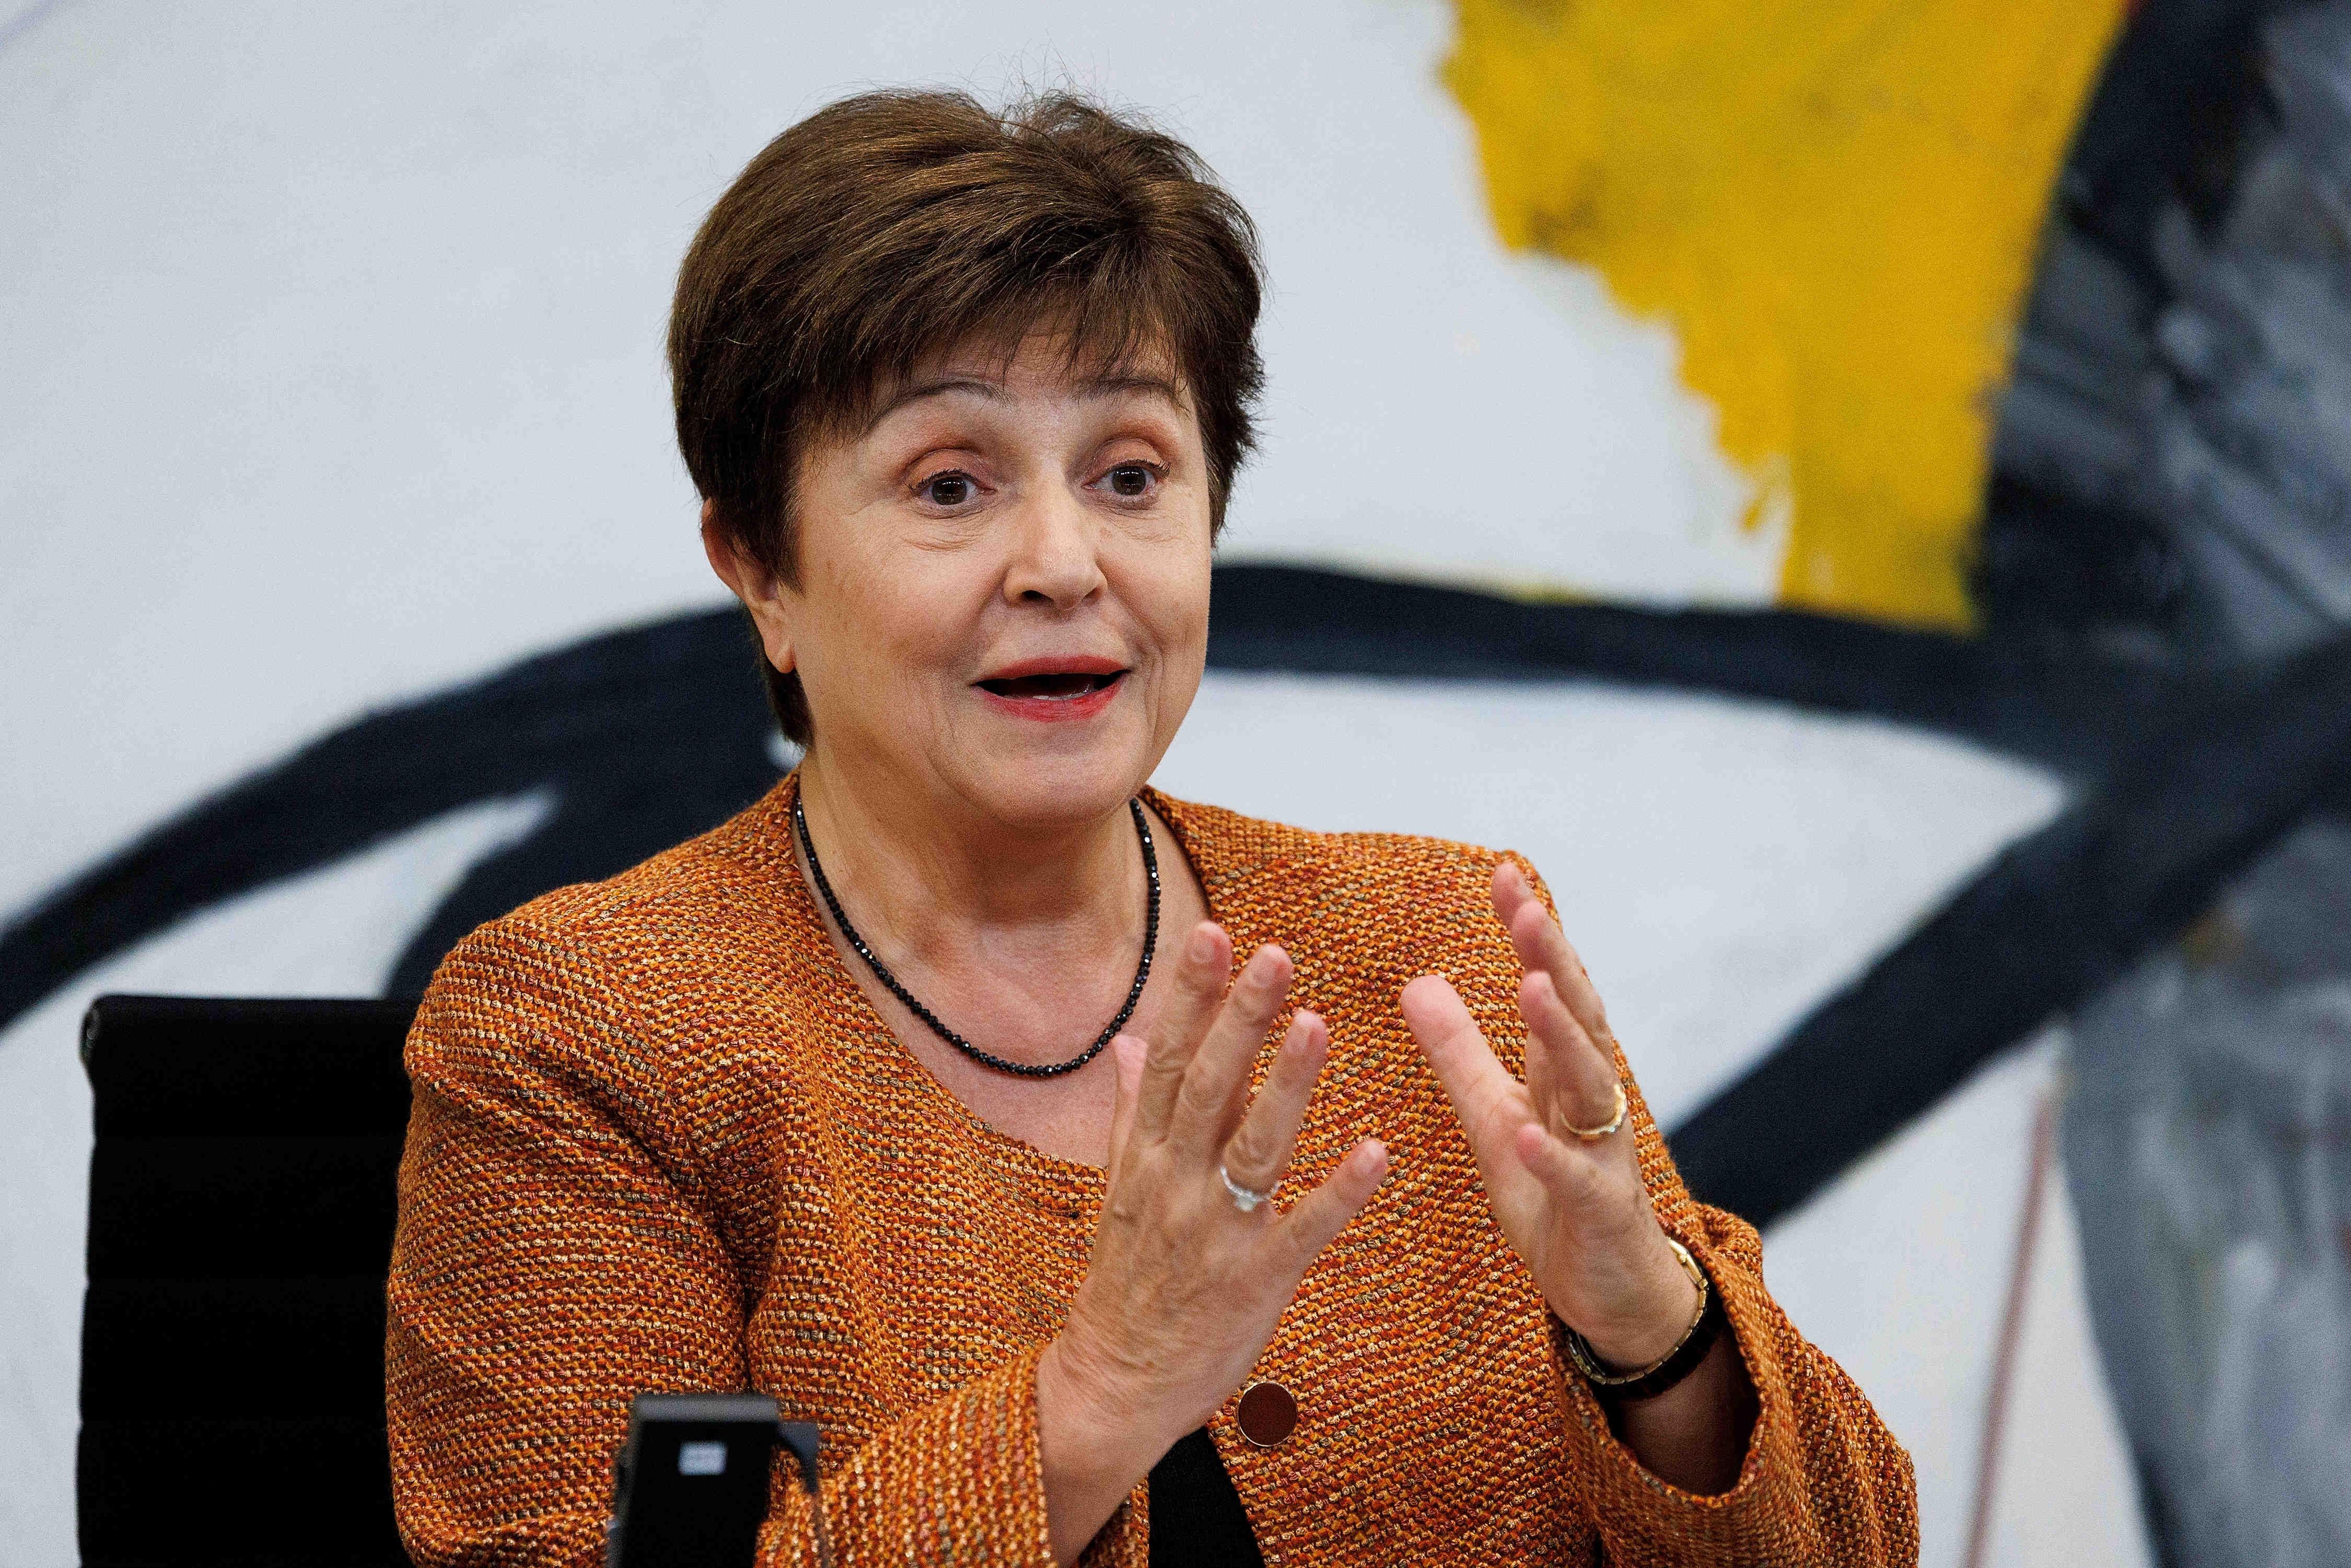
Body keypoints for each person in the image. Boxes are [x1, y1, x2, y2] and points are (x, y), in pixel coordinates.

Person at [386, 89, 1917, 1567]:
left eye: (1130, 475)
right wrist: (1099, 1394)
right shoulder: (586, 1035)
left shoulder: (1437, 952)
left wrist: (1651, 1326)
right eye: (949, 485)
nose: (1063, 562)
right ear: (761, 571)